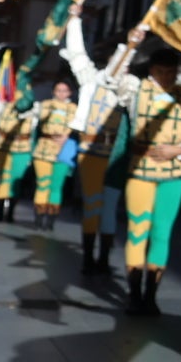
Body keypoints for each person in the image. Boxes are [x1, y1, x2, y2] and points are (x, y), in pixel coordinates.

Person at [86, 34, 181, 317]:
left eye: (170, 72)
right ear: (151, 70)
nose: (165, 77)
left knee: (162, 234)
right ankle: (133, 294)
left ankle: (151, 296)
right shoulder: (134, 90)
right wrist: (129, 45)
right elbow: (110, 78)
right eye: (160, 71)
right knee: (137, 230)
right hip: (140, 170)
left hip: (174, 173)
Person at [61, 18, 136, 275]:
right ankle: (88, 259)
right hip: (91, 151)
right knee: (92, 204)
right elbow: (77, 53)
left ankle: (103, 258)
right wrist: (75, 19)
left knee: (110, 208)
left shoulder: (129, 90)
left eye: (127, 64)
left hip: (115, 155)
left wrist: (133, 46)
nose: (123, 68)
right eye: (119, 61)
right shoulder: (91, 81)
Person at [28, 79, 78, 233]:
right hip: (45, 147)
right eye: (58, 90)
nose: (61, 94)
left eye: (64, 91)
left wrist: (68, 137)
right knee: (43, 183)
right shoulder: (46, 105)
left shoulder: (74, 108)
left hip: (62, 150)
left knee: (56, 186)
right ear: (53, 91)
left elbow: (77, 126)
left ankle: (50, 220)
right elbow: (39, 118)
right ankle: (38, 218)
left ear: (69, 93)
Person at [0, 91, 38, 224]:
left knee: (16, 181)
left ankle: (10, 212)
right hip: (3, 148)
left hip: (22, 150)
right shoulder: (5, 107)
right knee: (4, 179)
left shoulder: (33, 112)